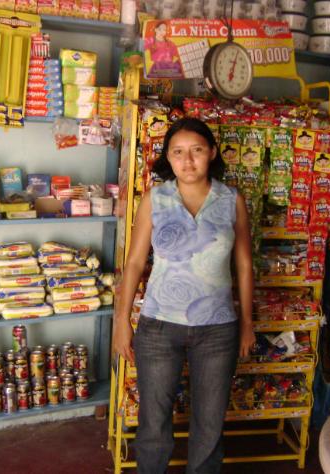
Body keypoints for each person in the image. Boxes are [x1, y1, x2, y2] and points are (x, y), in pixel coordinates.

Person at [113, 117, 255, 474]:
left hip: (218, 329)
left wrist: (247, 324)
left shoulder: (231, 200)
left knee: (210, 423)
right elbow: (134, 263)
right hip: (159, 327)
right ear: (168, 157)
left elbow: (244, 265)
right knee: (153, 422)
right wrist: (121, 321)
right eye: (177, 152)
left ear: (212, 153)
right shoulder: (156, 199)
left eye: (196, 151)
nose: (187, 161)